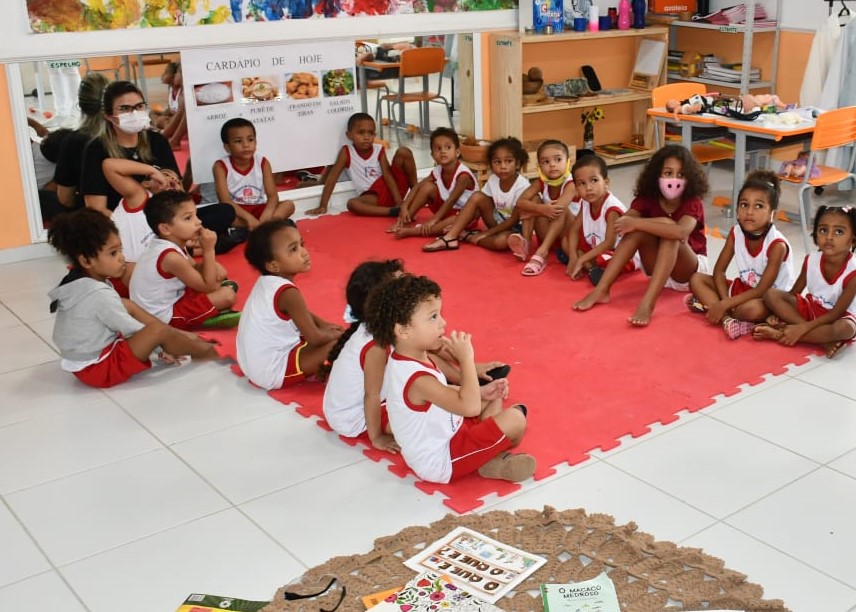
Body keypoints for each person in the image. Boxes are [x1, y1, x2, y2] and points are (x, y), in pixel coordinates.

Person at [363, 274, 536, 484]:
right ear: (403, 330)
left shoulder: (408, 357)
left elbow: (443, 392)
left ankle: (486, 458)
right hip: (442, 459)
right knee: (516, 419)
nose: (443, 323)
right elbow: (470, 407)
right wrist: (466, 360)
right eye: (433, 317)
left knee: (494, 397)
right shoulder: (417, 380)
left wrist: (482, 392)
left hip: (448, 428)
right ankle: (490, 460)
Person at [47, 209, 217, 388]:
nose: (122, 258)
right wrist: (161, 346)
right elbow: (134, 330)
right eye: (113, 253)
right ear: (87, 261)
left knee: (128, 305)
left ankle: (184, 338)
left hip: (86, 361)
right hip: (98, 369)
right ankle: (207, 352)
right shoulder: (98, 295)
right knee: (158, 331)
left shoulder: (79, 281)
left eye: (120, 249)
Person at [573, 144, 709, 326]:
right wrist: (637, 223)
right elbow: (624, 223)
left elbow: (681, 231)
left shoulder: (692, 201)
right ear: (657, 175)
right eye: (668, 173)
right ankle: (602, 289)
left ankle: (648, 302)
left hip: (689, 273)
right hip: (657, 270)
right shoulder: (648, 198)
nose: (674, 179)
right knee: (640, 231)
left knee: (669, 230)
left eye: (681, 174)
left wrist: (640, 223)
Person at [237, 219, 344, 390]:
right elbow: (315, 338)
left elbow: (300, 313)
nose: (304, 252)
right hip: (272, 373)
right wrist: (337, 335)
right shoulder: (288, 293)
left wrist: (323, 325)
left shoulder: (267, 282)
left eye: (302, 244)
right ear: (273, 265)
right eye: (294, 249)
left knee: (327, 334)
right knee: (343, 343)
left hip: (253, 366)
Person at [687, 170, 795, 339]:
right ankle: (728, 319)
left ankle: (713, 307)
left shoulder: (777, 245)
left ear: (772, 213)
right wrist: (725, 303)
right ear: (737, 208)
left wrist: (724, 303)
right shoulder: (735, 232)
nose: (749, 212)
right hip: (743, 290)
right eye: (744, 204)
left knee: (751, 309)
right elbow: (719, 272)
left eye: (758, 206)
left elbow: (762, 290)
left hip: (769, 299)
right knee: (696, 279)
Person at [321, 259, 405, 451]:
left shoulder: (379, 327)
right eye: (401, 290)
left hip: (346, 409)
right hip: (354, 418)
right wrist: (377, 438)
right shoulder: (375, 345)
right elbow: (372, 395)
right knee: (421, 414)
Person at [755, 205, 856, 359]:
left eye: (839, 232)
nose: (829, 237)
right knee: (771, 295)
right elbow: (793, 294)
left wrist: (801, 329)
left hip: (838, 316)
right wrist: (776, 312)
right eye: (823, 230)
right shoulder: (811, 260)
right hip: (812, 310)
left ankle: (780, 333)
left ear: (853, 240)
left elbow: (836, 313)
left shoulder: (853, 271)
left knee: (846, 328)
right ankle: (821, 340)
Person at [130, 190, 239, 330]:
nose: (198, 222)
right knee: (227, 296)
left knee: (218, 271)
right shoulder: (170, 257)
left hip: (173, 298)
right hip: (162, 318)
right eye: (188, 218)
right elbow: (209, 287)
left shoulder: (171, 242)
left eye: (195, 215)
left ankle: (207, 310)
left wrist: (212, 268)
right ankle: (203, 317)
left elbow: (194, 269)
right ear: (165, 228)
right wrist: (209, 250)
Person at [422, 137, 531, 253]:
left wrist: (485, 234)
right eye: (497, 162)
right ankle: (450, 237)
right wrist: (459, 225)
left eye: (508, 161)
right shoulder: (493, 179)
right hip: (495, 221)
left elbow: (513, 221)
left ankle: (467, 236)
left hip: (514, 228)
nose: (503, 166)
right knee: (477, 196)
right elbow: (478, 206)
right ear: (491, 165)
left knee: (501, 242)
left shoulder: (522, 186)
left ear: (517, 164)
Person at [307, 112, 417, 217]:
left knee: (404, 151)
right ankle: (392, 212)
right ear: (349, 135)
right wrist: (323, 205)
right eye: (361, 132)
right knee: (352, 204)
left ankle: (417, 194)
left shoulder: (379, 149)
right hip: (372, 196)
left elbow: (388, 176)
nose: (366, 137)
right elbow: (332, 178)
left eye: (370, 133)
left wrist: (398, 201)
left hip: (390, 189)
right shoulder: (347, 152)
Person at [102, 158, 184, 291]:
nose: (173, 180)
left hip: (157, 278)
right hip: (122, 274)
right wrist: (152, 171)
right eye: (166, 176)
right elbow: (109, 165)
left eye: (177, 181)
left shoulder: (174, 217)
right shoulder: (140, 197)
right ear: (146, 184)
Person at [562, 153, 639, 285]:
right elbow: (574, 230)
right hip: (596, 247)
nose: (588, 188)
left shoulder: (611, 209)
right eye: (582, 183)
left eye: (594, 180)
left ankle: (591, 267)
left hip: (618, 251)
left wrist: (581, 259)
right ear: (576, 189)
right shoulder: (585, 203)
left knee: (606, 259)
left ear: (606, 182)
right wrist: (573, 258)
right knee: (565, 241)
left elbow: (609, 242)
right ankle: (590, 266)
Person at [389, 127, 477, 240]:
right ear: (432, 155)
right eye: (438, 149)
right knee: (427, 187)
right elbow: (418, 187)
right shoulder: (438, 170)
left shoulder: (463, 175)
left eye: (448, 147)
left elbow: (451, 201)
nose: (443, 151)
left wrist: (433, 220)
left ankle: (414, 231)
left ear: (457, 152)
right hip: (446, 210)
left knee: (455, 220)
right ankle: (404, 221)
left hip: (465, 215)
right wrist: (405, 207)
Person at [508, 139, 577, 276]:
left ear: (568, 161)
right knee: (532, 201)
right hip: (549, 233)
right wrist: (541, 209)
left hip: (569, 235)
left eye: (558, 159)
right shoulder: (541, 182)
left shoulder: (572, 184)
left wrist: (536, 211)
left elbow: (557, 209)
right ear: (539, 166)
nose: (552, 165)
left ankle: (542, 252)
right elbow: (520, 201)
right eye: (546, 162)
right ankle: (526, 243)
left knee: (559, 209)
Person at [213, 117, 296, 230]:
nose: (246, 145)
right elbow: (225, 200)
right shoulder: (220, 166)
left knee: (289, 205)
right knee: (221, 215)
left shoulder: (263, 163)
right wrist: (248, 218)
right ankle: (268, 227)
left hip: (259, 209)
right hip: (237, 212)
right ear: (227, 147)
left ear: (256, 142)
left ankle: (267, 224)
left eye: (250, 140)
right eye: (238, 141)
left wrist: (268, 213)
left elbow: (272, 196)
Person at [54, 72, 109, 210]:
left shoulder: (71, 142)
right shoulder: (128, 133)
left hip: (91, 218)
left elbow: (65, 198)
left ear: (80, 104)